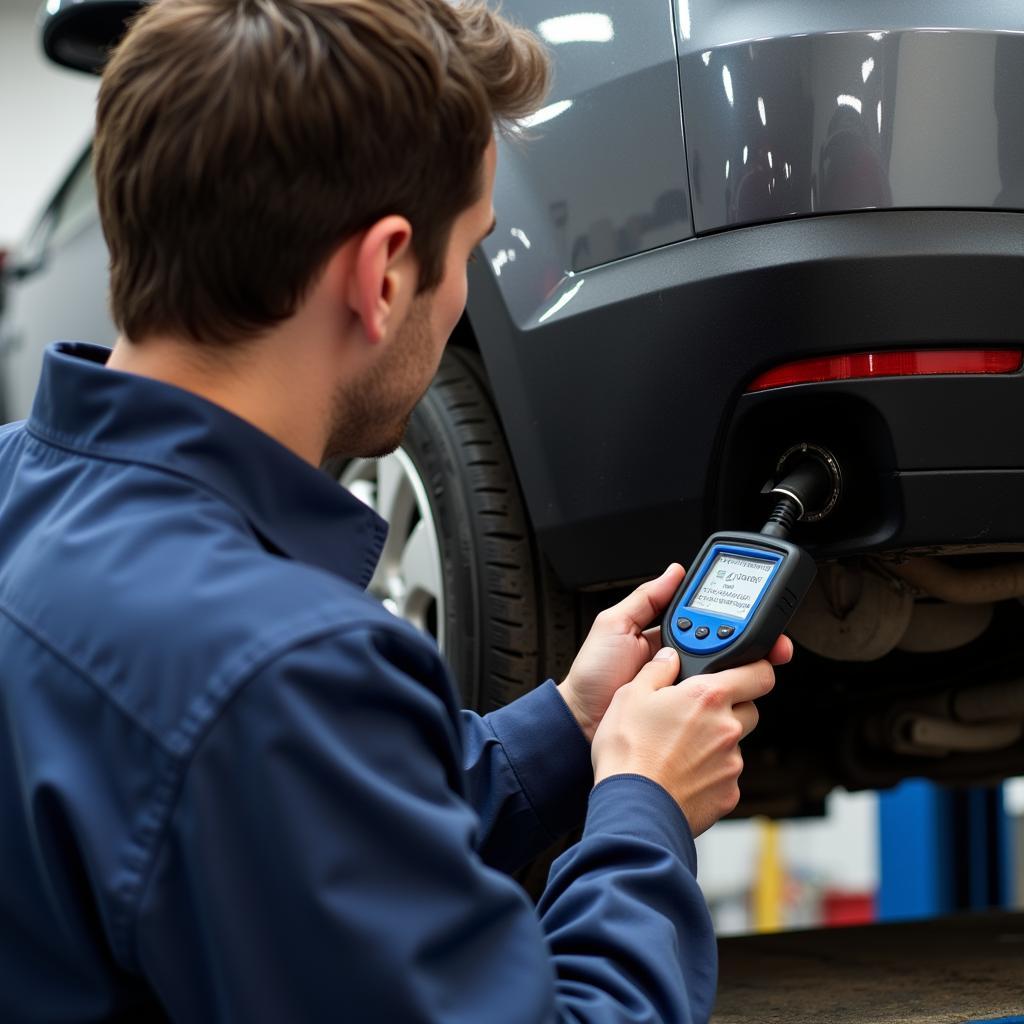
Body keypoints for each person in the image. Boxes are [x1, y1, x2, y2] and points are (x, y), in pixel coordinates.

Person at [0, 0, 791, 1020]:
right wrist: (643, 814)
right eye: (469, 251)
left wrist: (573, 720)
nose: (460, 292)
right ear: (380, 275)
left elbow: (297, 826)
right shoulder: (274, 670)